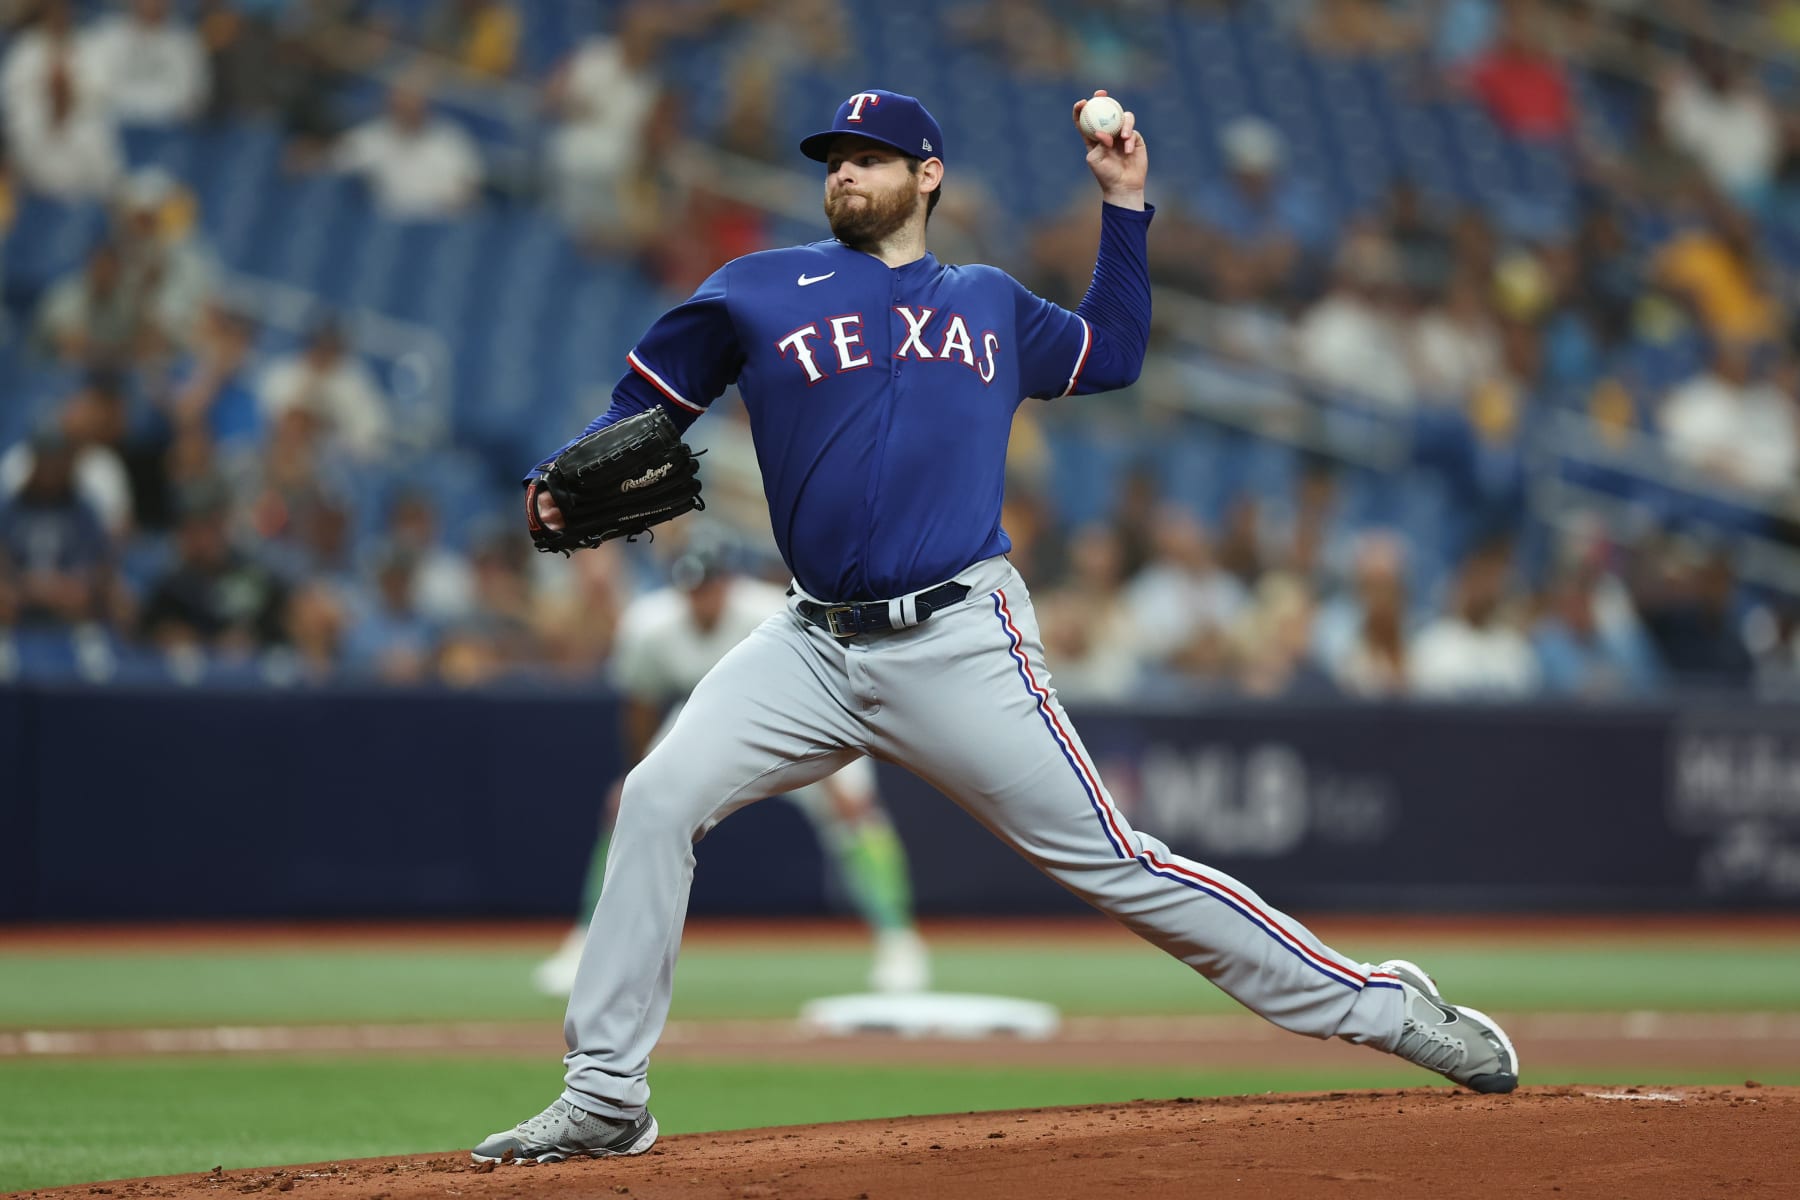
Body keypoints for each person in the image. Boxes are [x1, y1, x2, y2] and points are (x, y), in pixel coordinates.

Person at [473, 87, 1518, 1167]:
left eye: (870, 157)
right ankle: (604, 1095)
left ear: (928, 175)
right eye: (833, 157)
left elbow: (1112, 353)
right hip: (809, 644)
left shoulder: (986, 301)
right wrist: (568, 471)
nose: (843, 173)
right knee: (655, 799)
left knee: (1123, 865)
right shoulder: (758, 289)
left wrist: (1125, 204)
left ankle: (1385, 1005)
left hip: (958, 639)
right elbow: (643, 408)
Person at [530, 540, 929, 999]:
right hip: (705, 714)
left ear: (728, 583)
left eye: (711, 586)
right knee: (627, 808)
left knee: (856, 811)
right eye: (693, 589)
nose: (703, 597)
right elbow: (638, 706)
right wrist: (638, 774)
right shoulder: (650, 624)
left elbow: (828, 682)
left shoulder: (770, 610)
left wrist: (836, 774)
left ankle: (899, 942)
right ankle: (586, 944)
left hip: (799, 715)